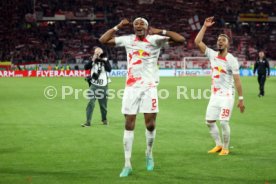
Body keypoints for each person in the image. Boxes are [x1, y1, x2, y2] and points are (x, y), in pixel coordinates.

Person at [99, 17, 185, 177]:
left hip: (149, 88)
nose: (138, 25)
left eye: (142, 24)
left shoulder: (155, 40)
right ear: (133, 28)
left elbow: (181, 40)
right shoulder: (128, 40)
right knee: (129, 124)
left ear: (147, 27)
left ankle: (149, 153)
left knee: (150, 124)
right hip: (131, 88)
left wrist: (161, 31)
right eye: (136, 24)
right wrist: (118, 26)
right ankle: (127, 163)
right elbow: (103, 40)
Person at [194, 17, 245, 156]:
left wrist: (241, 99)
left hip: (227, 95)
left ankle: (226, 148)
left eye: (223, 40)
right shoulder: (212, 55)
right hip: (215, 95)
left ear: (228, 44)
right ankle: (218, 144)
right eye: (218, 40)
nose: (220, 41)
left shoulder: (232, 60)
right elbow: (197, 41)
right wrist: (204, 26)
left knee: (223, 122)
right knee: (209, 121)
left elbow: (237, 80)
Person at [81, 47, 112, 127]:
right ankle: (88, 122)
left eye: (99, 53)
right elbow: (86, 67)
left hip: (104, 85)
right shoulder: (93, 60)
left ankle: (104, 119)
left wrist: (104, 61)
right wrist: (93, 60)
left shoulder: (105, 60)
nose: (98, 55)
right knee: (90, 103)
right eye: (96, 53)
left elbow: (109, 69)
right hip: (93, 85)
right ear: (94, 53)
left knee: (103, 105)